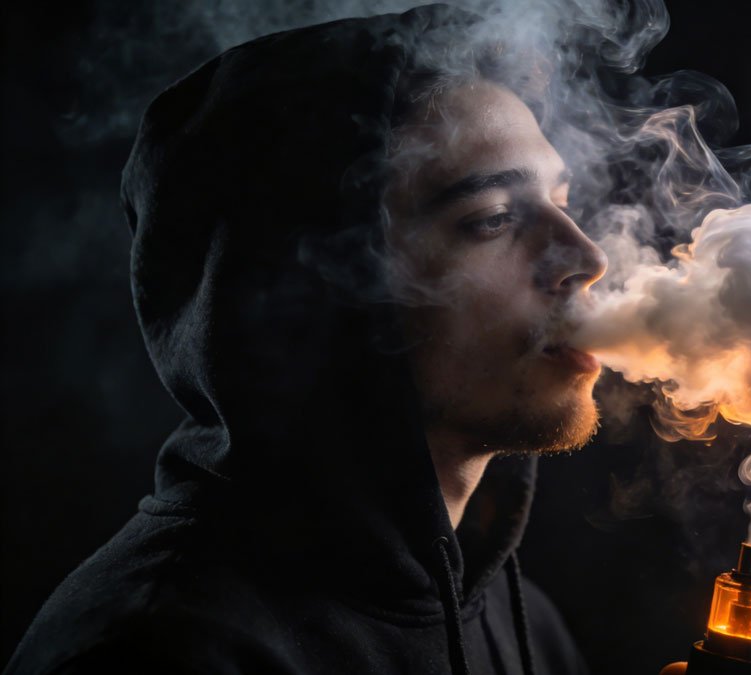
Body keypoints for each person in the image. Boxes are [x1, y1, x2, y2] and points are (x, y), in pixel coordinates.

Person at [5, 6, 606, 674]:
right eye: (493, 219)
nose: (585, 256)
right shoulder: (159, 651)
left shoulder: (519, 623)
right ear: (321, 283)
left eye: (564, 202)